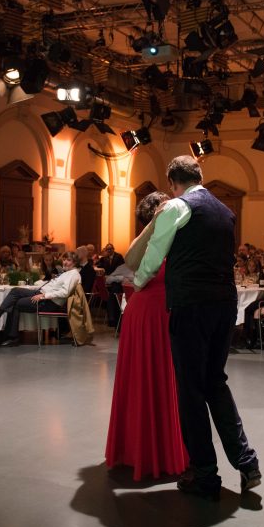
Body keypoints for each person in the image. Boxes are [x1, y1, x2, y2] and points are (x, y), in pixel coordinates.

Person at [134, 155, 260, 500]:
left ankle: (205, 475)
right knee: (215, 382)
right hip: (225, 305)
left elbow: (154, 253)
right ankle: (248, 463)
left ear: (173, 182)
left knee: (190, 392)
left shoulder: (177, 207)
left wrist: (139, 281)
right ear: (199, 177)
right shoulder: (225, 211)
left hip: (191, 306)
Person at [105, 192, 188, 480]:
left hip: (160, 312)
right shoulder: (150, 241)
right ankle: (146, 451)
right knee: (147, 380)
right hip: (149, 314)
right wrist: (153, 224)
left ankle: (155, 451)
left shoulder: (175, 238)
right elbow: (130, 261)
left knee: (164, 379)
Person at [0, 251, 81, 346]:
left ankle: (10, 336)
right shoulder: (67, 273)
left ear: (75, 262)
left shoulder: (73, 274)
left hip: (48, 302)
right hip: (42, 293)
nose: (65, 262)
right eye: (64, 260)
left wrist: (43, 296)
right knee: (15, 291)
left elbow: (65, 292)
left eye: (68, 260)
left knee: (15, 303)